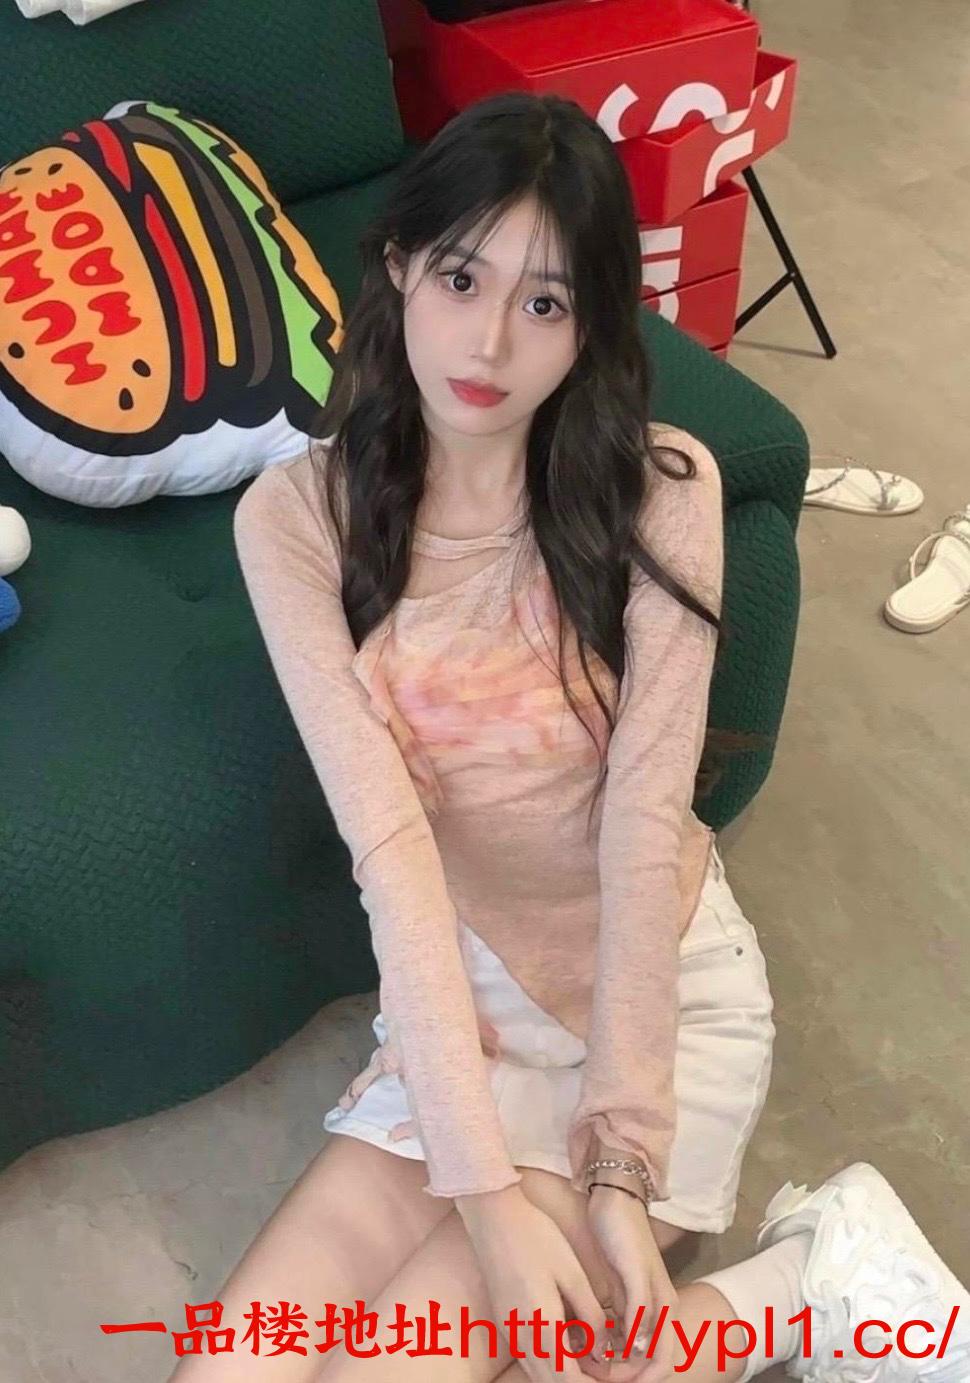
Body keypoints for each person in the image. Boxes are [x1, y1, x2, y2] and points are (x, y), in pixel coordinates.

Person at [170, 92, 969, 1383]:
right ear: (398, 266)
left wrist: (618, 1166)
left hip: (655, 989)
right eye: (461, 278)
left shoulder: (662, 493)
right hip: (472, 988)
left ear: (590, 324)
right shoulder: (294, 521)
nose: (488, 341)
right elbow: (393, 857)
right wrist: (483, 1193)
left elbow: (644, 830)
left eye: (543, 302)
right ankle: (797, 1279)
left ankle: (804, 1279)